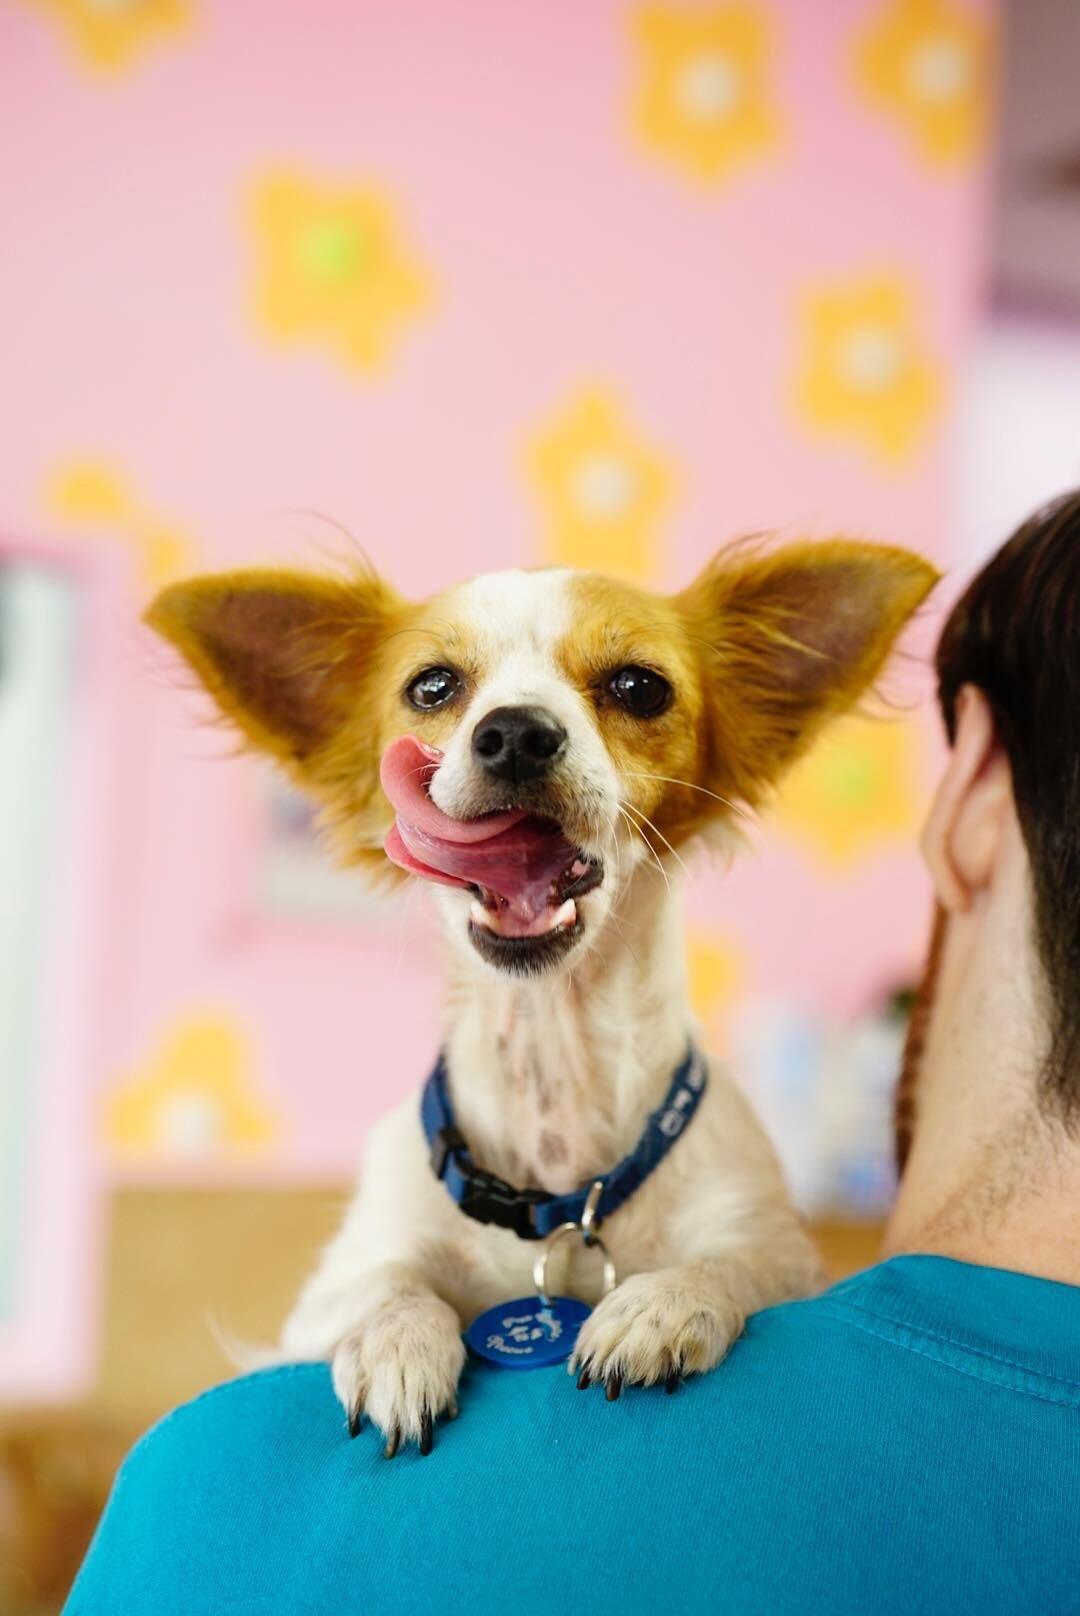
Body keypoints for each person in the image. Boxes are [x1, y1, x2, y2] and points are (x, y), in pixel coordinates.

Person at [66, 497, 1080, 1615]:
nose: (514, 727)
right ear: (369, 768)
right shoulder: (402, 1179)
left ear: (721, 748)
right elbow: (333, 1322)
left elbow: (766, 1270)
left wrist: (708, 1286)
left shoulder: (197, 1498)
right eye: (441, 690)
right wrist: (398, 1305)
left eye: (632, 689)